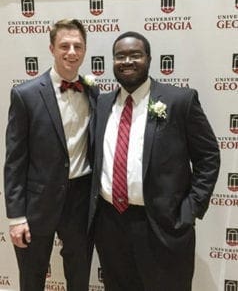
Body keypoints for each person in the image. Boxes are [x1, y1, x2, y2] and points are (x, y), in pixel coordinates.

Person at [88, 31, 220, 291]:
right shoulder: (102, 104)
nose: (127, 61)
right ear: (112, 62)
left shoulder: (179, 100)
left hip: (162, 224)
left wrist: (190, 209)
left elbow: (208, 157)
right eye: (120, 56)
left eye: (135, 55)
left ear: (149, 59)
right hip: (111, 225)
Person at [4, 19, 99, 291]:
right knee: (32, 278)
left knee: (79, 276)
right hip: (37, 203)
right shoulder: (26, 94)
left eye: (78, 46)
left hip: (80, 200)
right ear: (51, 48)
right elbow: (14, 161)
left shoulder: (93, 91)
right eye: (64, 46)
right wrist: (16, 217)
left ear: (84, 50)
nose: (71, 52)